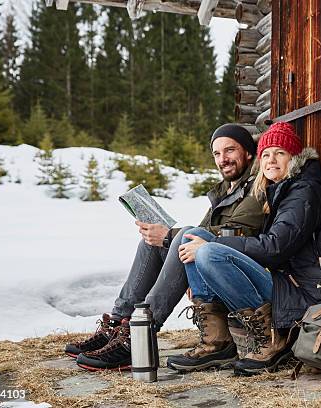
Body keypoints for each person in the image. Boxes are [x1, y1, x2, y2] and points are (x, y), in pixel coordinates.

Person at [64, 124, 265, 371]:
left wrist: (170, 236)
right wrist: (166, 239)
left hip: (239, 275)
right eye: (216, 153)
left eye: (230, 150)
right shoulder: (227, 190)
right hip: (216, 264)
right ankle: (119, 324)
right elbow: (205, 230)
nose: (223, 159)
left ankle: (141, 333)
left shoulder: (257, 187)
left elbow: (237, 234)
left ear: (247, 152)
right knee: (150, 244)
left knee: (183, 236)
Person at [166, 121, 321, 375]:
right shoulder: (282, 189)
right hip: (289, 283)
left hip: (311, 295)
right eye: (266, 154)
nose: (271, 160)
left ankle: (273, 338)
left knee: (208, 252)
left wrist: (216, 244)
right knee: (193, 236)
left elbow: (275, 247)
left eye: (280, 153)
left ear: (293, 157)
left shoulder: (305, 192)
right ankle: (217, 341)